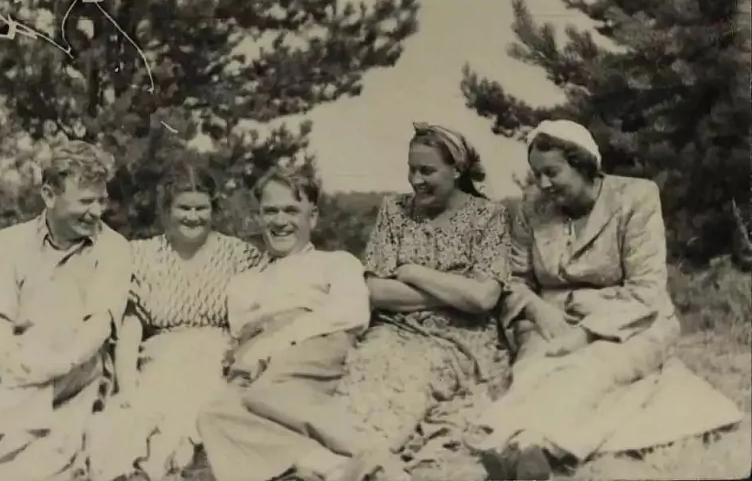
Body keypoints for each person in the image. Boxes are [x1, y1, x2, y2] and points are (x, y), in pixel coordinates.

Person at [470, 119, 744, 480]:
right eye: (537, 175)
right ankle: (526, 448)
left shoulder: (635, 197)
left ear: (583, 165)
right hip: (551, 316)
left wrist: (584, 334)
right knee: (533, 371)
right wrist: (537, 310)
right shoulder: (532, 208)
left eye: (552, 172)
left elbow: (646, 289)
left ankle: (530, 446)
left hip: (632, 319)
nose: (543, 184)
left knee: (593, 372)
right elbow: (514, 280)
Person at [0, 140, 132, 481]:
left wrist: (51, 364)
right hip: (10, 366)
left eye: (101, 200)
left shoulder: (113, 248)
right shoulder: (7, 242)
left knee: (52, 332)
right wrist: (13, 362)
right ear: (49, 195)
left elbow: (97, 328)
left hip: (72, 368)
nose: (97, 212)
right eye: (85, 201)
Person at [197, 169, 408, 481]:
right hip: (256, 357)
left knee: (266, 392)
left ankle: (371, 454)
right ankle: (329, 466)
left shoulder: (335, 262)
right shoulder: (245, 281)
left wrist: (279, 339)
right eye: (271, 211)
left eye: (291, 211)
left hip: (315, 341)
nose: (280, 221)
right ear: (259, 217)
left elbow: (352, 312)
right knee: (213, 415)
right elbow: (241, 330)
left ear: (313, 217)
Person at [334, 122, 513, 478]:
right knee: (360, 381)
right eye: (412, 169)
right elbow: (376, 291)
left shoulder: (489, 217)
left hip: (457, 341)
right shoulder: (395, 211)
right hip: (391, 331)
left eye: (427, 170)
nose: (416, 180)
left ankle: (368, 465)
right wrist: (456, 292)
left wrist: (413, 272)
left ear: (457, 170)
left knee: (405, 393)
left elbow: (483, 298)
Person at [86, 151, 269, 481]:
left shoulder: (239, 255)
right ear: (167, 209)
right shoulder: (142, 254)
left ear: (214, 209)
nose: (193, 217)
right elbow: (131, 329)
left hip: (217, 361)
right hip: (159, 360)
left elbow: (253, 325)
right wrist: (127, 387)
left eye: (201, 208)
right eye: (184, 208)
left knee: (200, 423)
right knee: (130, 423)